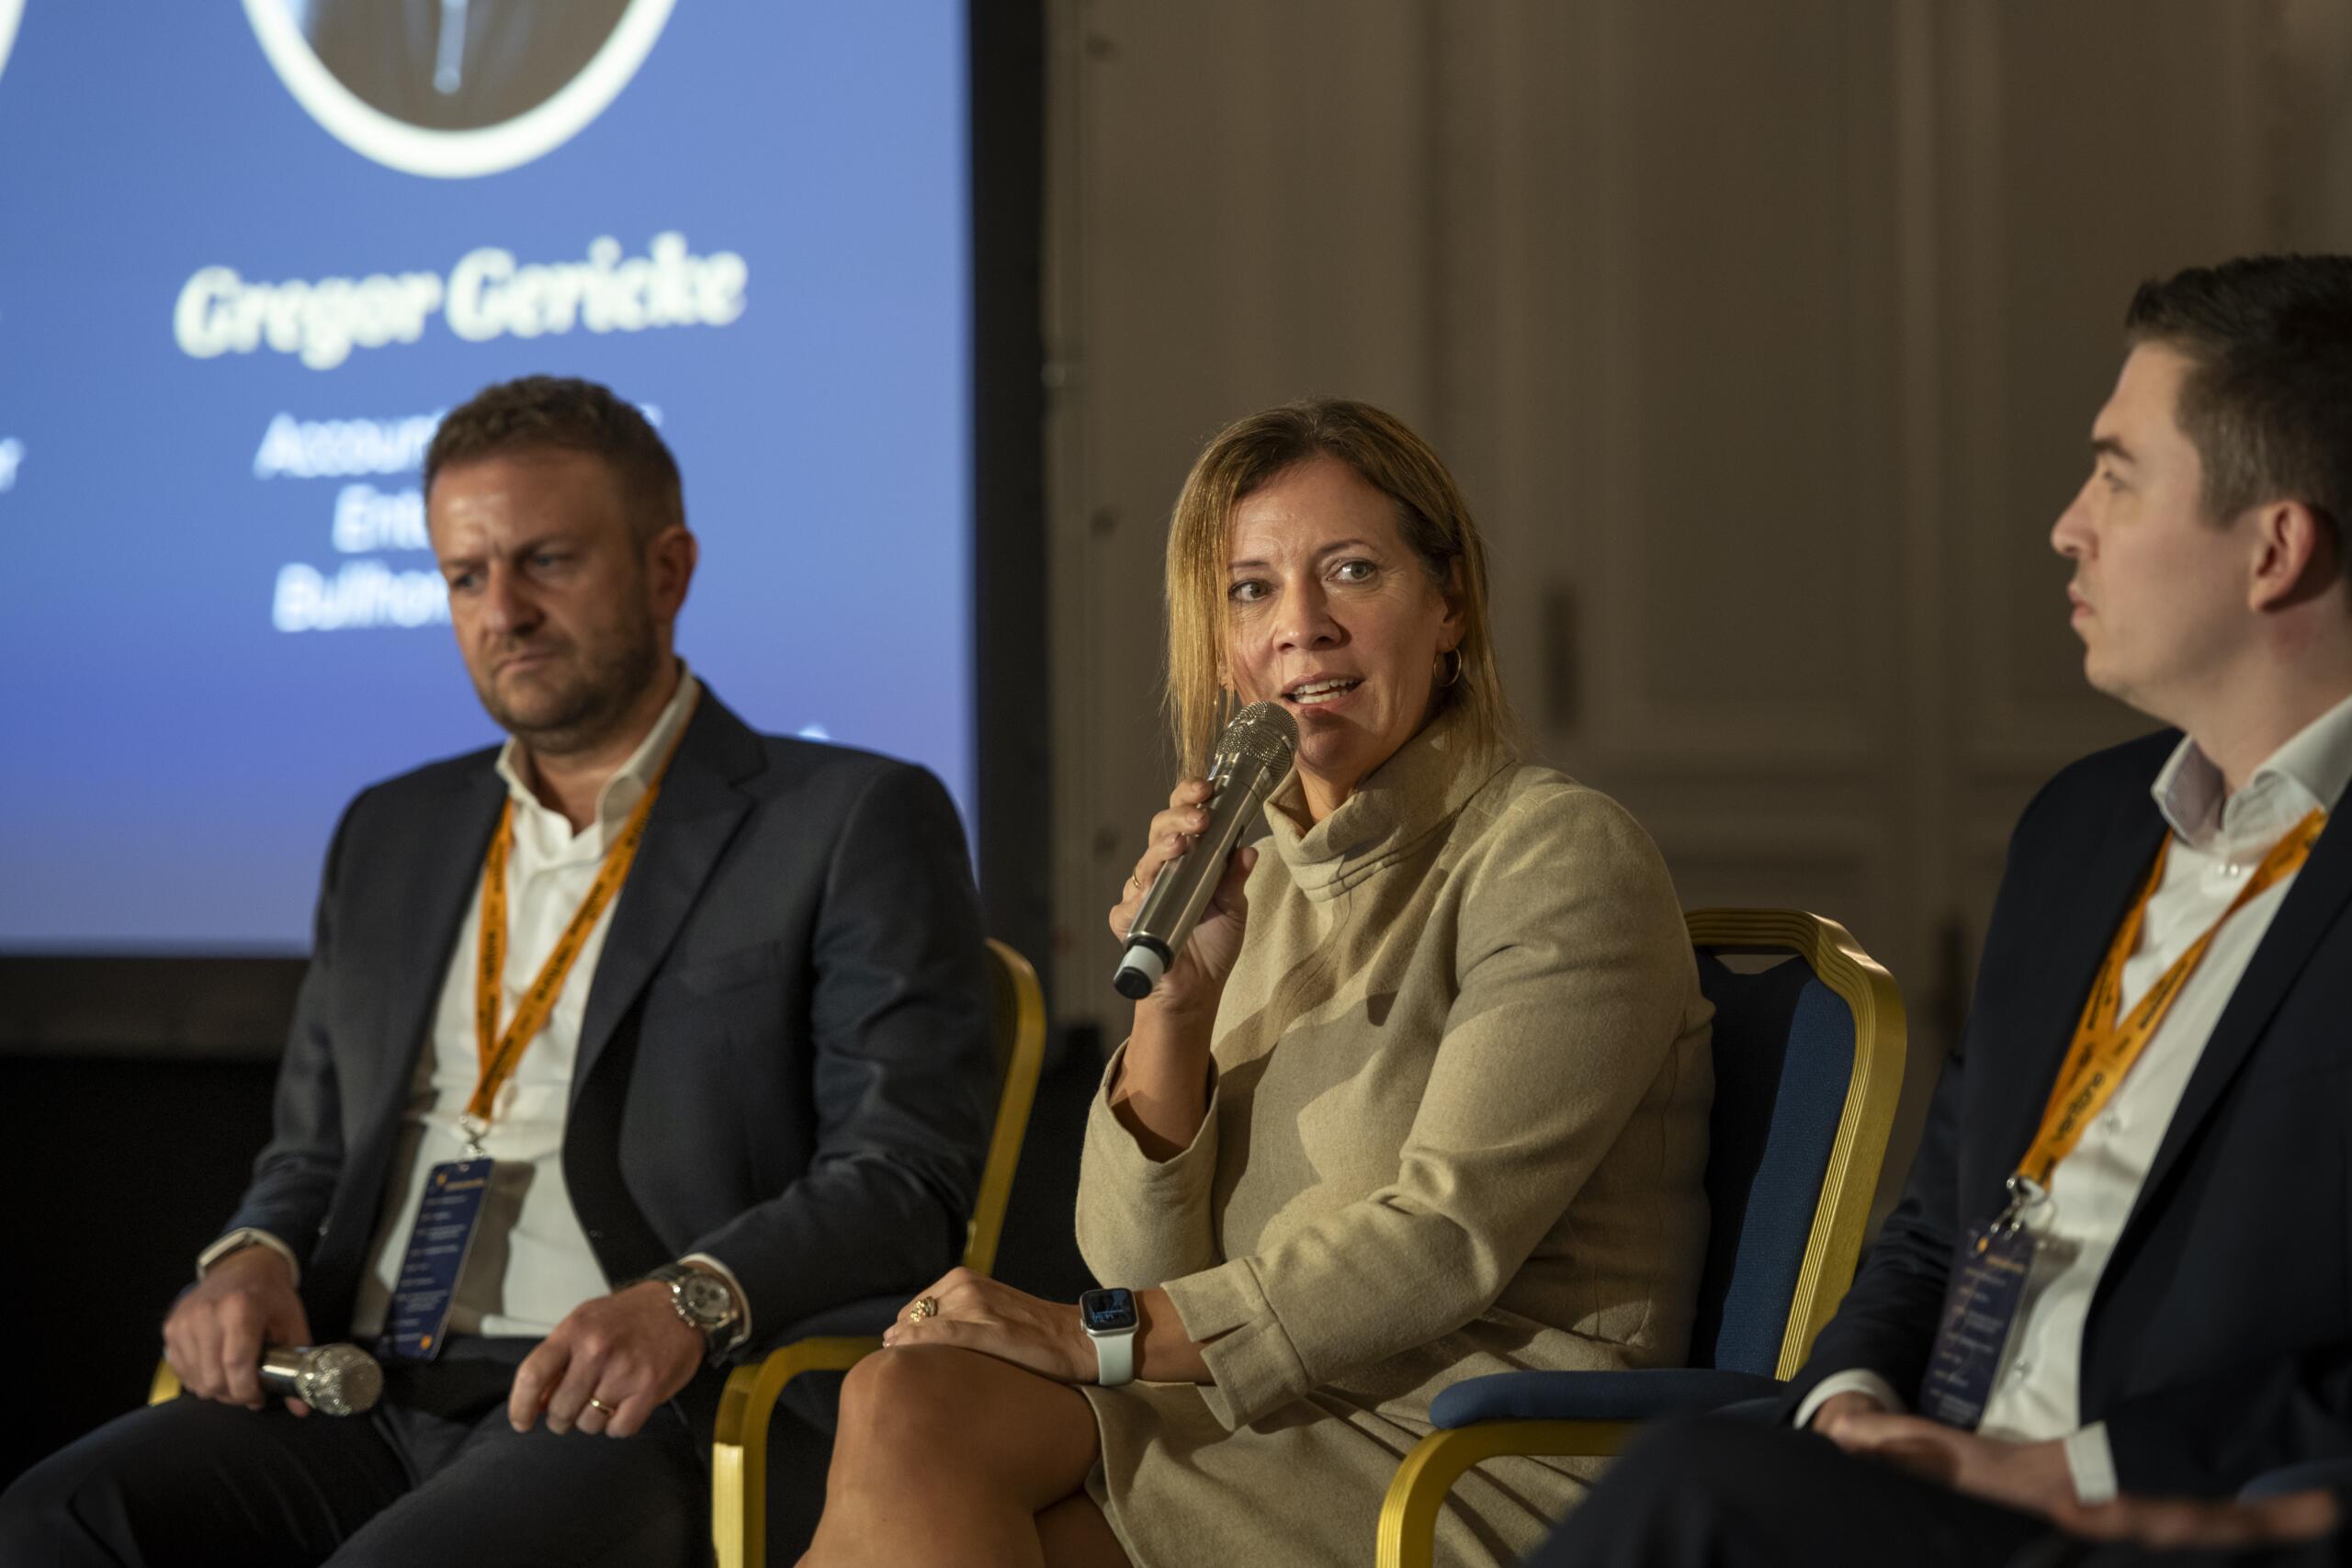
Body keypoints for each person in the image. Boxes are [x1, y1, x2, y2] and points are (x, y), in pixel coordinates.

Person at [0, 375, 994, 1566]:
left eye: (547, 562)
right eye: (465, 576)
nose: (503, 611)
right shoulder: (389, 831)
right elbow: (311, 1153)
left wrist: (687, 1298)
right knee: (54, 1520)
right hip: (361, 1383)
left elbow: (902, 1173)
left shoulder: (847, 817)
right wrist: (253, 1254)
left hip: (645, 1399)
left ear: (668, 570)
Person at [1526, 254, 2352, 1567]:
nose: (2068, 526)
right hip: (1930, 1495)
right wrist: (1851, 1400)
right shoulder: (2082, 829)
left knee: (1693, 1490)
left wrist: (2074, 1471)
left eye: (2117, 477)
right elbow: (1937, 1225)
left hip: (2171, 1522)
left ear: (2275, 549)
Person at [800, 398, 1715, 1566]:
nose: (1301, 627)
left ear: (1448, 605)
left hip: (1469, 1450)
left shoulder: (1555, 855)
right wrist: (1174, 1013)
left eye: (1352, 572)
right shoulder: (1249, 872)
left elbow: (1442, 1242)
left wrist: (1092, 1335)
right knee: (905, 1396)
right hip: (1257, 1417)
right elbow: (1134, 1269)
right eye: (1250, 589)